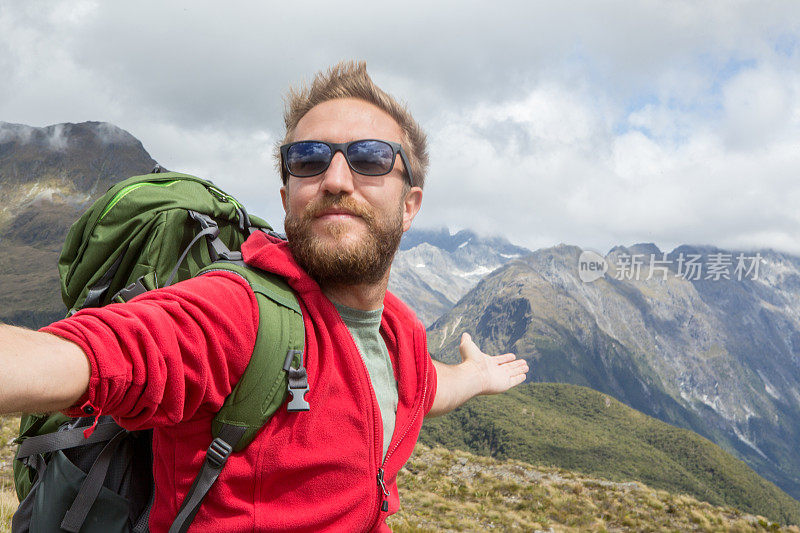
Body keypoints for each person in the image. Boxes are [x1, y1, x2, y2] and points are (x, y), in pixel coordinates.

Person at [0, 61, 528, 531]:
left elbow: (422, 391)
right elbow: (96, 356)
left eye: (370, 159)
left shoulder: (400, 334)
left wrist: (480, 376)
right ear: (286, 198)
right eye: (308, 159)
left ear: (410, 205)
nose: (336, 179)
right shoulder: (239, 312)